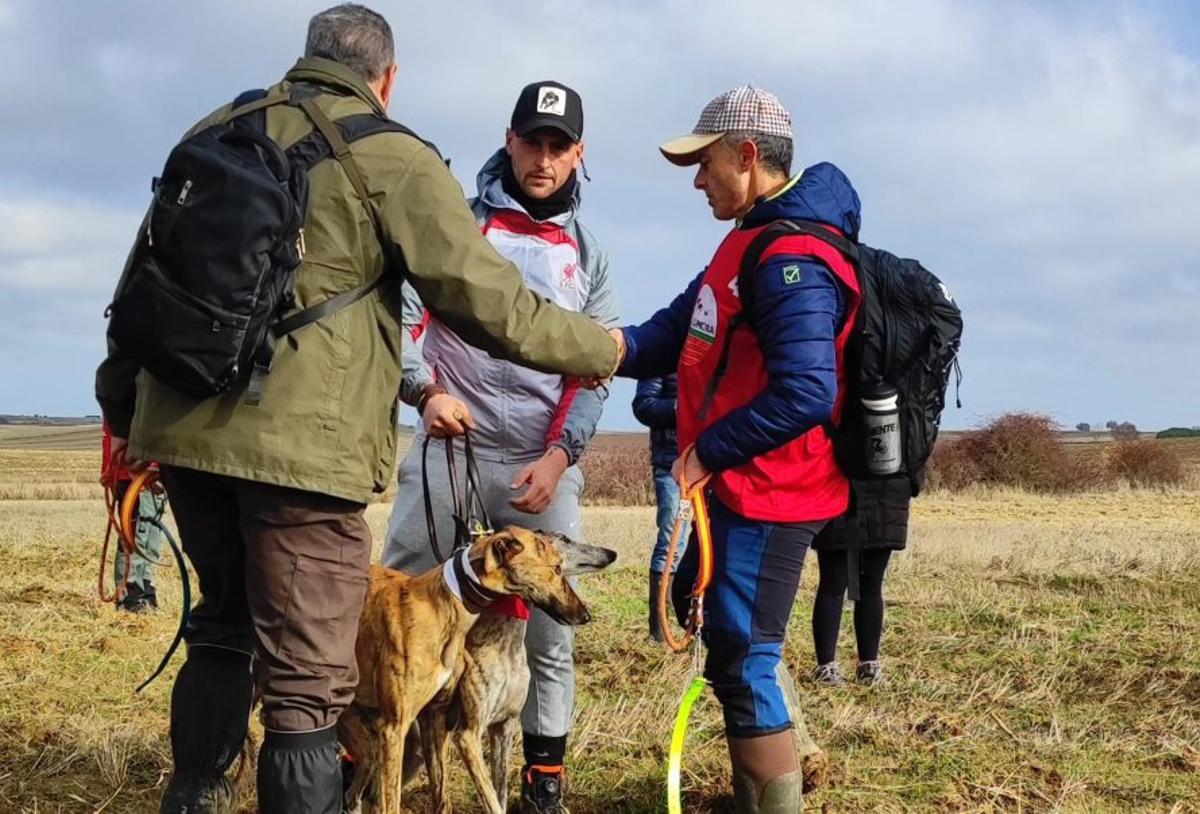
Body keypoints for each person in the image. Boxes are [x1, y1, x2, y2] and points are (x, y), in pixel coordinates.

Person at [94, 7, 621, 812]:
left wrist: (124, 412)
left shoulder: (216, 128)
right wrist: (611, 350)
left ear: (306, 58)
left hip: (187, 436)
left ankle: (196, 795)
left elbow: (142, 280)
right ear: (388, 78)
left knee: (223, 628)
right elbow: (490, 302)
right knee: (309, 680)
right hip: (305, 458)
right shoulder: (394, 155)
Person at [611, 86, 863, 813]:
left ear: (748, 156)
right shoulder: (748, 240)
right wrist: (589, 345)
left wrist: (707, 451)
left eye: (706, 163)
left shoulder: (793, 255)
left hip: (772, 494)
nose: (697, 180)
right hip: (741, 492)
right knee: (733, 653)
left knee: (747, 660)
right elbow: (666, 335)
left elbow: (808, 390)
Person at [384, 79, 614, 814]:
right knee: (394, 603)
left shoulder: (592, 256)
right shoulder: (458, 225)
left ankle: (543, 778)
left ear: (578, 154)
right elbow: (407, 316)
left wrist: (559, 457)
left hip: (541, 467)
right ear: (509, 140)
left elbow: (596, 363)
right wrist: (426, 393)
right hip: (448, 450)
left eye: (558, 146)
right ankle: (362, 753)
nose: (542, 159)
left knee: (550, 631)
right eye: (531, 142)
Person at [632, 374, 686, 642]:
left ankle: (696, 626)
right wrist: (684, 406)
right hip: (671, 466)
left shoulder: (722, 344)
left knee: (710, 545)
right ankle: (659, 631)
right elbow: (644, 406)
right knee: (672, 542)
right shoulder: (665, 350)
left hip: (716, 460)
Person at [810, 537, 897, 686]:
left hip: (839, 517)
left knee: (833, 586)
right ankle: (868, 667)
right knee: (869, 587)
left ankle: (826, 668)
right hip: (880, 518)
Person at [100, 421, 164, 613]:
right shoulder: (131, 395)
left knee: (151, 539)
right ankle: (129, 597)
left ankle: (145, 592)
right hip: (134, 476)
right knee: (134, 537)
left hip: (153, 475)